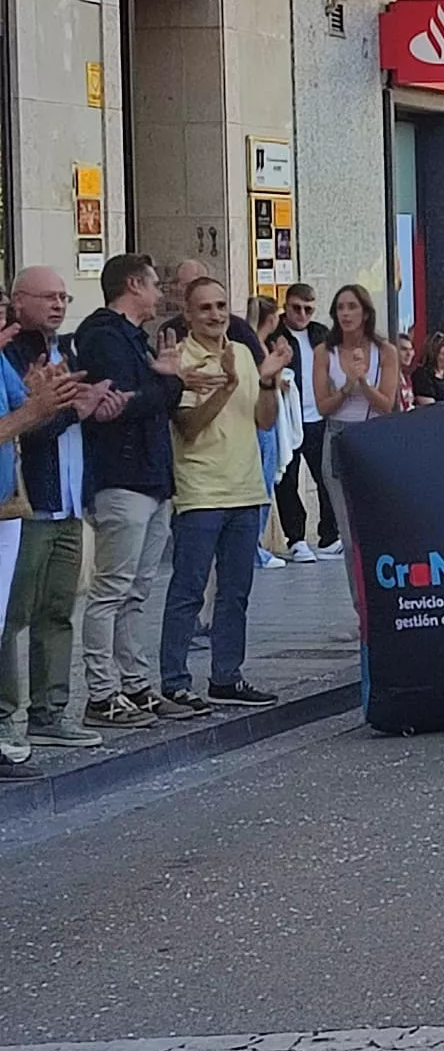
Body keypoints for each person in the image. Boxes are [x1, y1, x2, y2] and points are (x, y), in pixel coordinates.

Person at [0, 269, 122, 771]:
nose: (57, 304)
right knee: (13, 615)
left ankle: (51, 710)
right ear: (20, 302)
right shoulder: (13, 354)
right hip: (30, 504)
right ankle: (11, 716)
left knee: (57, 610)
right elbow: (29, 425)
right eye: (46, 297)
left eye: (62, 296)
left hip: (70, 500)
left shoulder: (65, 351)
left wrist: (91, 406)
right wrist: (72, 407)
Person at [74, 254, 199, 726]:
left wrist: (165, 382)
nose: (160, 292)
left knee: (136, 591)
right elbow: (117, 403)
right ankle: (101, 693)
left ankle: (136, 685)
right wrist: (170, 384)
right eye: (153, 283)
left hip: (151, 477)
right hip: (121, 477)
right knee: (110, 590)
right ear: (132, 285)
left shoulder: (134, 337)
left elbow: (141, 397)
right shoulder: (104, 335)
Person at [159, 278, 290, 712]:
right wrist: (227, 387)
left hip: (246, 487)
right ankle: (175, 682)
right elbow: (189, 426)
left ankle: (226, 677)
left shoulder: (243, 353)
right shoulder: (182, 360)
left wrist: (267, 382)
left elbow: (264, 422)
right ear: (188, 315)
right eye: (204, 309)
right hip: (201, 491)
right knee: (188, 590)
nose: (215, 315)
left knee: (235, 593)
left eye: (220, 306)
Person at [313, 284, 400, 612]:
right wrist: (348, 386)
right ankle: (361, 608)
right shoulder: (326, 352)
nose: (346, 314)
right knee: (349, 536)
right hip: (338, 436)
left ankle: (386, 601)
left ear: (365, 312)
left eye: (352, 307)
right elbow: (323, 406)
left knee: (378, 528)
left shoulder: (385, 351)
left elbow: (386, 404)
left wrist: (363, 381)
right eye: (340, 308)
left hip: (373, 435)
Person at [273, 283, 337, 563]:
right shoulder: (275, 335)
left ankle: (329, 537)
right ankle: (296, 539)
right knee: (288, 480)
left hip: (319, 417)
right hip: (288, 418)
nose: (302, 314)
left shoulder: (321, 334)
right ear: (286, 306)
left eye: (308, 309)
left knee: (327, 478)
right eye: (296, 308)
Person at [249, 297, 298, 570]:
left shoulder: (254, 344)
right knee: (263, 486)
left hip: (264, 420)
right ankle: (255, 547)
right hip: (263, 422)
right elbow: (269, 381)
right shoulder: (259, 347)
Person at [394, 333, 417, 413]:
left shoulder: (406, 377)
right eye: (403, 349)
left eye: (411, 349)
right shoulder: (389, 376)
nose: (409, 354)